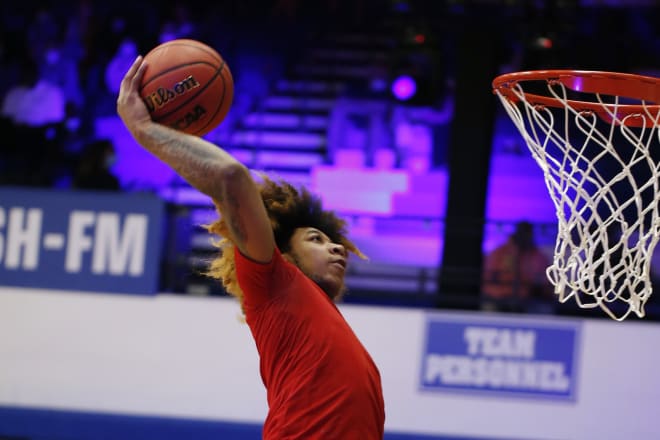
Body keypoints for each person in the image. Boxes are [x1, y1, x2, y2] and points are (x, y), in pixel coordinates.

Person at [117, 56, 385, 439]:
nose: (337, 249)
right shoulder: (275, 283)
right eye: (316, 239)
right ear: (285, 256)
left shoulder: (319, 316)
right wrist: (143, 128)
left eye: (333, 242)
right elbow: (231, 178)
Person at [481, 221, 554, 313]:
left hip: (527, 298)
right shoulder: (499, 253)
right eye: (521, 232)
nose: (523, 236)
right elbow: (489, 276)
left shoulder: (537, 256)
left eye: (527, 233)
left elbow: (544, 281)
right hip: (498, 296)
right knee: (488, 305)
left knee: (543, 307)